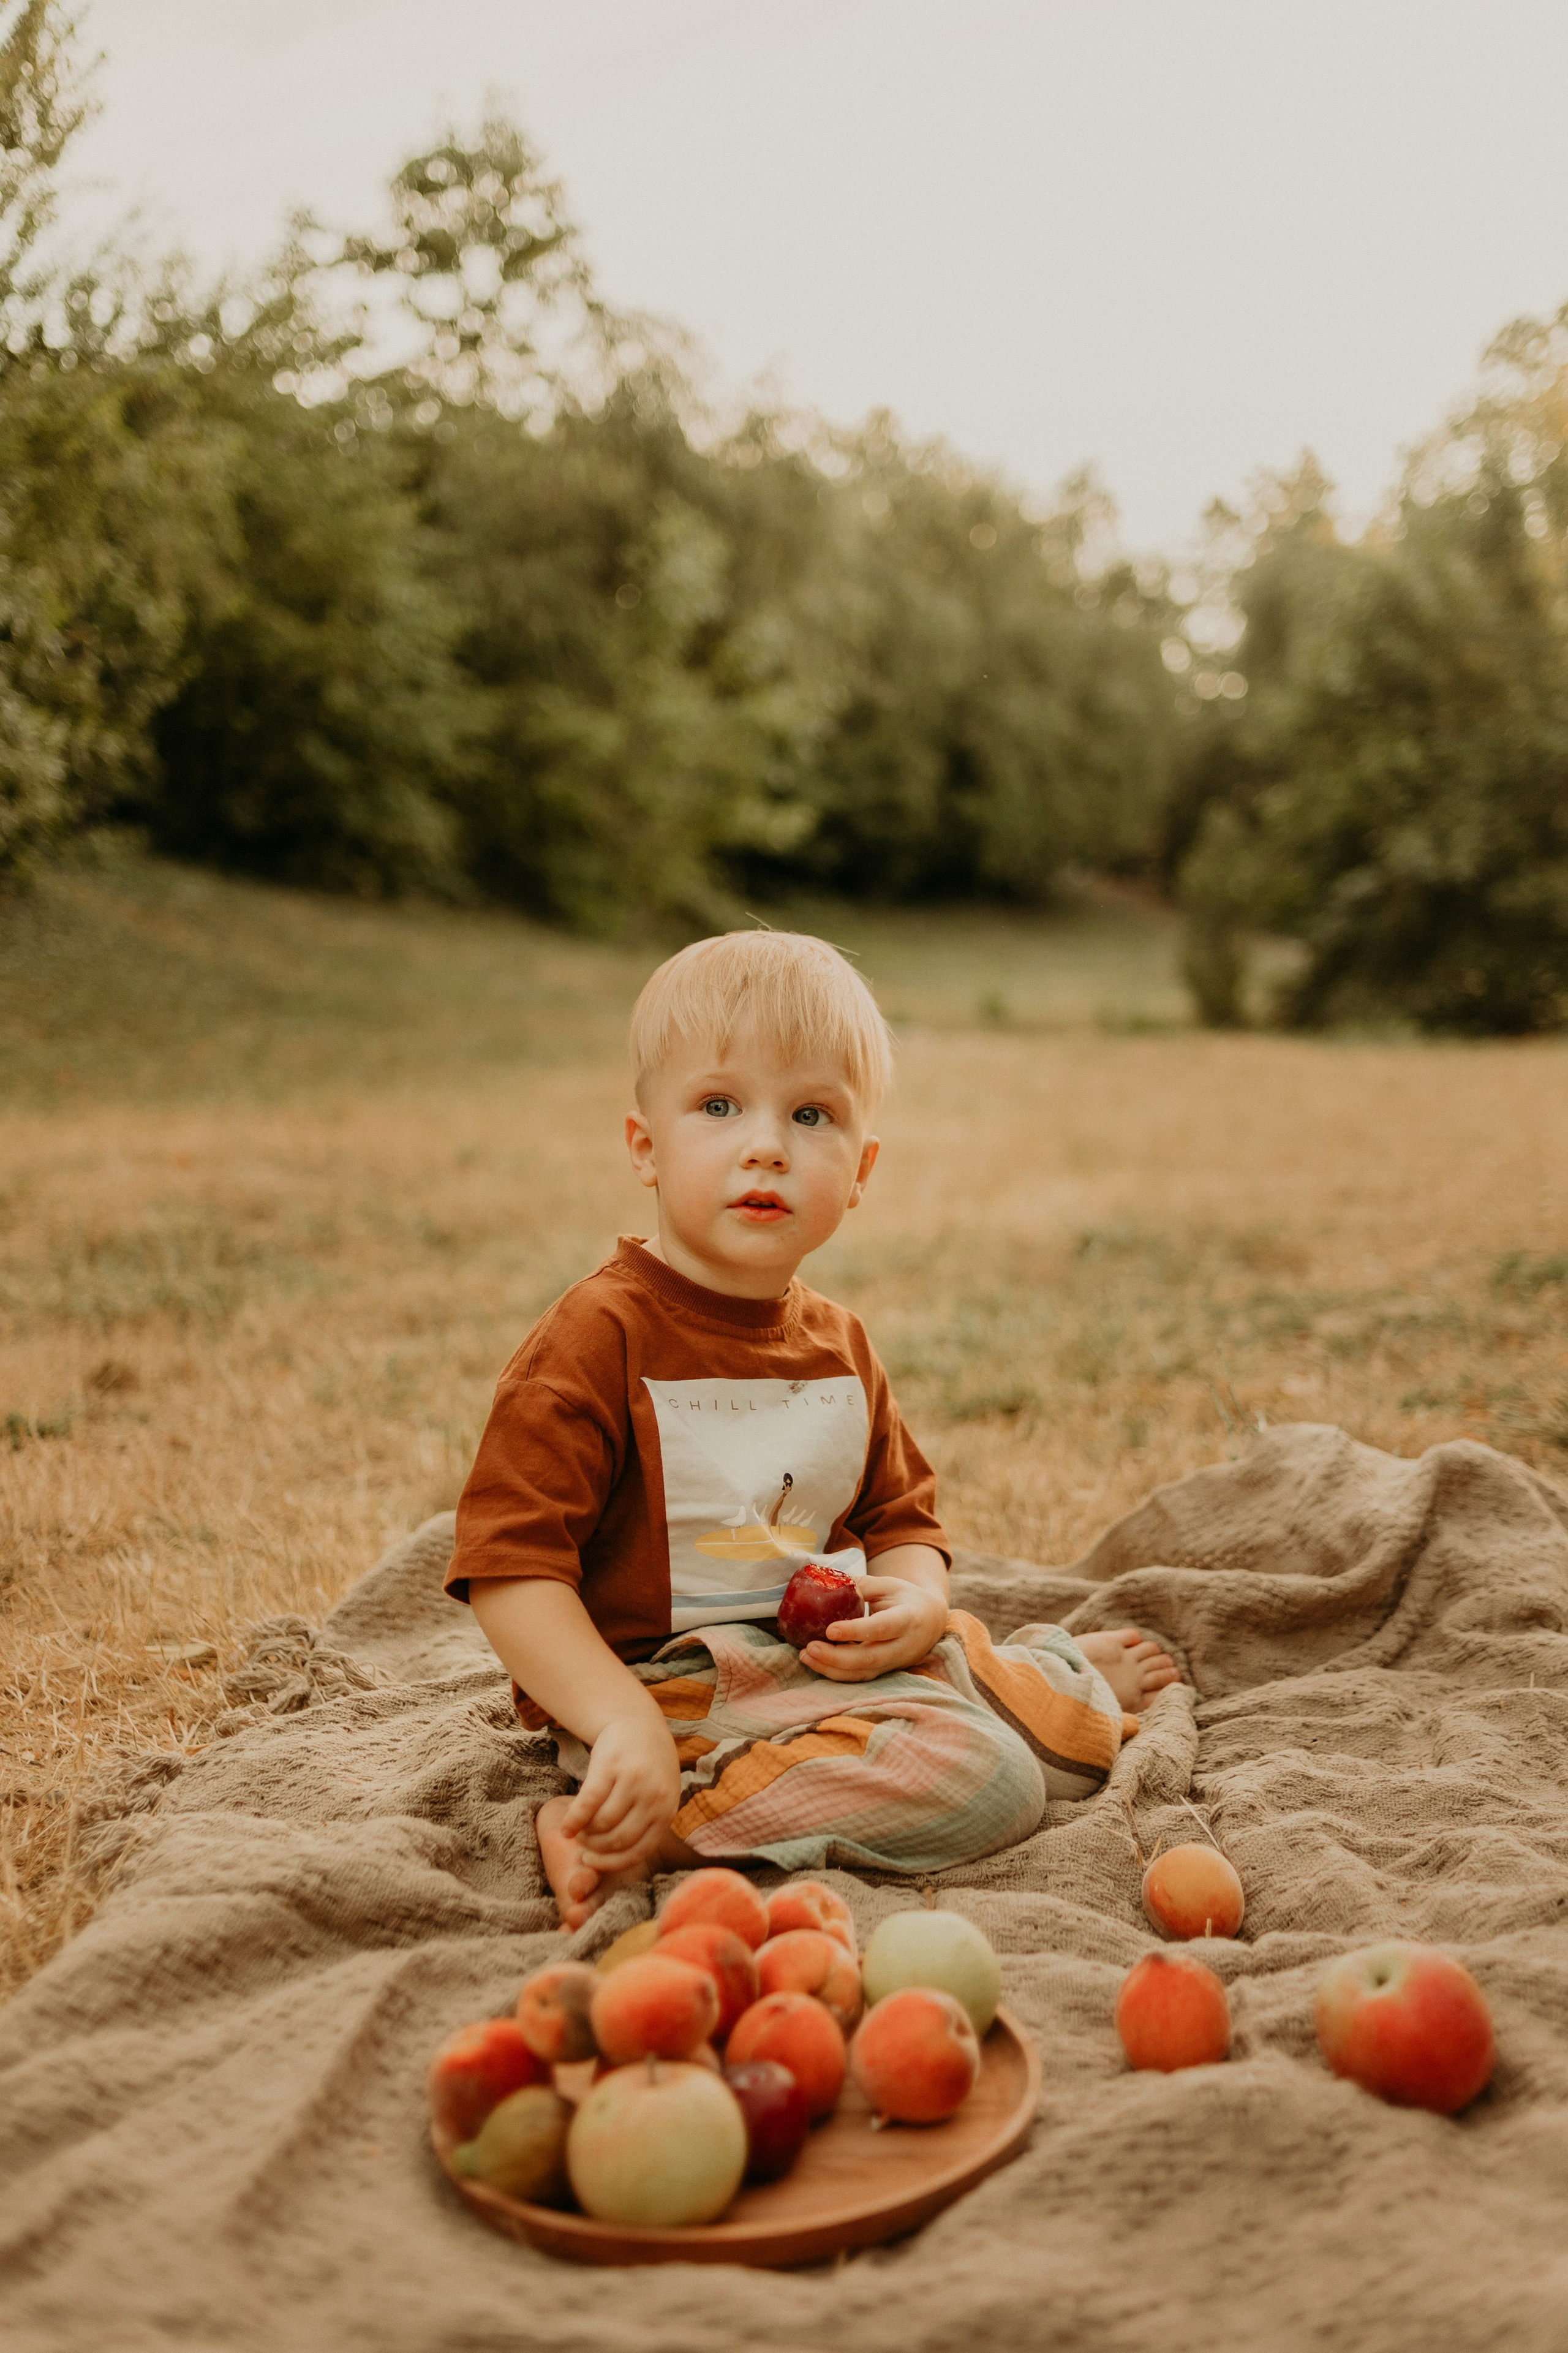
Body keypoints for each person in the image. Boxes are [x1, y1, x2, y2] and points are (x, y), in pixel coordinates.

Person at [447, 929, 1178, 1928]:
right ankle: (647, 1819)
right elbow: (509, 1568)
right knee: (1000, 1779)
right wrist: (618, 1720)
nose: (767, 1144)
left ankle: (1041, 1674)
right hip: (668, 1695)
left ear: (862, 1166)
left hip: (826, 1669)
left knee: (1030, 1733)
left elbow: (902, 1519)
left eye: (811, 1114)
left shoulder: (840, 1344)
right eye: (718, 1105)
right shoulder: (596, 1336)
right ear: (644, 1146)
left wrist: (915, 1604)